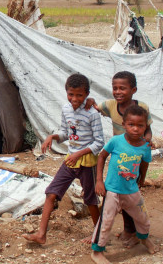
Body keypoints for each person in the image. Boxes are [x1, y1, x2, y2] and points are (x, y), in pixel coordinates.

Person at [23, 73, 104, 244]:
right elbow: (65, 133)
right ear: (66, 92)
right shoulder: (66, 109)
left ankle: (99, 235)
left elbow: (99, 143)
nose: (74, 99)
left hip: (87, 163)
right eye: (71, 94)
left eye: (79, 95)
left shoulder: (92, 114)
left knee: (90, 199)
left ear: (87, 94)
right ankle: (41, 234)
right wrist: (51, 137)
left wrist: (79, 153)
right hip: (70, 160)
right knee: (51, 193)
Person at [91, 71, 153, 248]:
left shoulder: (141, 108)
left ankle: (132, 231)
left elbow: (147, 129)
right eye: (114, 88)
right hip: (119, 152)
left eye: (122, 88)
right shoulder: (111, 105)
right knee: (120, 194)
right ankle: (128, 231)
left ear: (133, 90)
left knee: (131, 196)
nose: (118, 92)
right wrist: (90, 102)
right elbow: (96, 107)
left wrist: (147, 141)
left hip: (135, 153)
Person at [91, 105, 158, 264]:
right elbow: (101, 157)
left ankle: (143, 238)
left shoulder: (145, 146)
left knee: (142, 217)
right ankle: (97, 251)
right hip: (112, 189)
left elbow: (145, 164)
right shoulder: (116, 141)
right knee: (106, 221)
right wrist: (99, 181)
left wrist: (142, 179)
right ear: (124, 124)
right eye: (131, 125)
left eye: (140, 125)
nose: (135, 129)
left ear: (145, 127)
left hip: (131, 190)